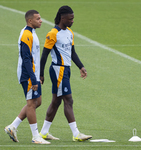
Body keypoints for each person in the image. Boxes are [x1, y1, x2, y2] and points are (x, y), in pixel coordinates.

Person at [39, 6, 92, 142]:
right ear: (63, 18)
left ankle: (44, 132)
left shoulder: (69, 33)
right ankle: (76, 134)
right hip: (58, 70)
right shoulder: (53, 33)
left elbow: (72, 52)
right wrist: (41, 74)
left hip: (66, 69)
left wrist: (81, 66)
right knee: (68, 100)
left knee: (56, 101)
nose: (73, 21)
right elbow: (44, 54)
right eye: (70, 18)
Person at [4, 10, 50, 144]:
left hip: (33, 74)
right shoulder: (26, 35)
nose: (41, 20)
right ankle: (36, 137)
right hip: (28, 75)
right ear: (30, 21)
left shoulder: (32, 33)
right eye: (38, 19)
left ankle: (13, 126)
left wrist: (39, 74)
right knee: (31, 104)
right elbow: (26, 59)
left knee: (37, 102)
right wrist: (33, 78)